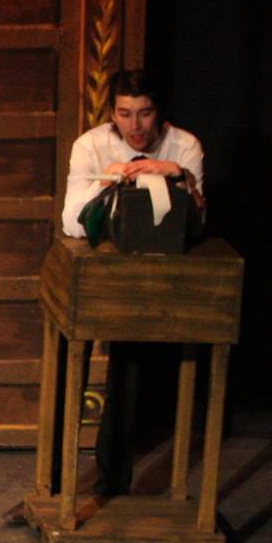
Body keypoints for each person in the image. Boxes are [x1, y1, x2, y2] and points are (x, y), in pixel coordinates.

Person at [58, 69, 206, 497]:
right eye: (124, 114)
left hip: (159, 275)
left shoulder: (184, 146)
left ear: (159, 113)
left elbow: (197, 225)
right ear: (112, 114)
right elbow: (71, 222)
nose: (135, 125)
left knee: (139, 362)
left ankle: (123, 483)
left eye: (144, 113)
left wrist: (176, 174)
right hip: (106, 269)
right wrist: (112, 180)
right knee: (74, 348)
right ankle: (60, 481)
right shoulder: (91, 146)